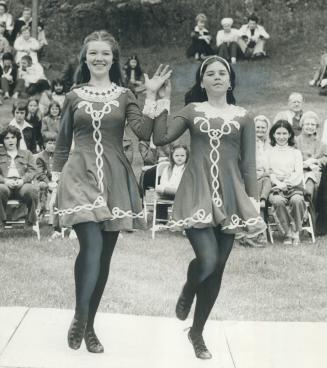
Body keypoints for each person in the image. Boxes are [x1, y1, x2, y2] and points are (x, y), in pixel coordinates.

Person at [51, 30, 171, 353]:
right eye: (93, 53)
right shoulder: (74, 96)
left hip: (116, 177)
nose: (99, 58)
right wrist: (53, 184)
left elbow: (146, 132)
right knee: (89, 244)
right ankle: (80, 315)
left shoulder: (123, 95)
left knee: (104, 257)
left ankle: (90, 326)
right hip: (79, 175)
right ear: (85, 58)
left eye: (106, 53)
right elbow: (62, 144)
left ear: (113, 59)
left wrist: (154, 97)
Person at [152, 55, 265, 359]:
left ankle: (197, 333)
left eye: (222, 73)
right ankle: (189, 288)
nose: (216, 77)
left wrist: (252, 199)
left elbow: (249, 163)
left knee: (217, 270)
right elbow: (160, 137)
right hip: (197, 193)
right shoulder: (192, 111)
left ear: (230, 81)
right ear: (201, 82)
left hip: (230, 196)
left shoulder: (243, 116)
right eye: (210, 73)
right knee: (208, 260)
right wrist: (163, 100)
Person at [267, 120, 306, 246]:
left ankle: (296, 232)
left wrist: (287, 183)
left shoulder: (295, 153)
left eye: (285, 133)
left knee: (297, 200)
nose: (281, 137)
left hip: (293, 186)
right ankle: (287, 233)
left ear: (290, 134)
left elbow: (298, 172)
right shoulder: (269, 152)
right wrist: (279, 183)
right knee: (278, 201)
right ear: (273, 134)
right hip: (275, 187)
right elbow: (269, 172)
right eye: (278, 133)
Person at [240, 115, 271, 247]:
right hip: (250, 177)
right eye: (257, 127)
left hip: (267, 178)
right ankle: (258, 235)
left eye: (263, 128)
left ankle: (258, 235)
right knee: (255, 197)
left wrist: (263, 172)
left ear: (267, 129)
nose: (260, 130)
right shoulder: (247, 143)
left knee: (263, 183)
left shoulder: (270, 145)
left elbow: (272, 165)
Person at [0, 125, 37, 231]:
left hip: (22, 184)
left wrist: (23, 180)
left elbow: (33, 170)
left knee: (31, 190)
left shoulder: (27, 154)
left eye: (13, 137)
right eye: (6, 138)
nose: (10, 140)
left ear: (17, 139)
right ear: (3, 141)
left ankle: (30, 222)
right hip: (5, 185)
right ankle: (1, 222)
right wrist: (5, 180)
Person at [295, 111, 327, 201]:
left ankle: (312, 212)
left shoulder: (322, 144)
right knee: (308, 181)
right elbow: (291, 159)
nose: (310, 127)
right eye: (307, 124)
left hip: (317, 173)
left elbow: (326, 157)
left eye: (313, 125)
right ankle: (308, 212)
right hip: (299, 173)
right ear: (302, 125)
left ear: (316, 127)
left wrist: (316, 161)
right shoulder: (295, 141)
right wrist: (306, 164)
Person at [155, 144, 189, 221]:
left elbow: (186, 185)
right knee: (160, 199)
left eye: (182, 155)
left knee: (186, 198)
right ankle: (161, 221)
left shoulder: (187, 169)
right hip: (168, 192)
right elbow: (163, 182)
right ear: (172, 156)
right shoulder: (167, 168)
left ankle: (181, 221)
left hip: (181, 193)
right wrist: (166, 189)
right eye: (176, 155)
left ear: (186, 156)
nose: (179, 157)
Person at [35, 131, 57, 218]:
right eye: (50, 143)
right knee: (42, 185)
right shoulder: (41, 157)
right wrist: (49, 183)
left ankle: (61, 213)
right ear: (44, 144)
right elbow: (40, 173)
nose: (52, 145)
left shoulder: (59, 155)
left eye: (54, 143)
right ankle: (42, 208)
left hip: (58, 180)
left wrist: (57, 181)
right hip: (46, 181)